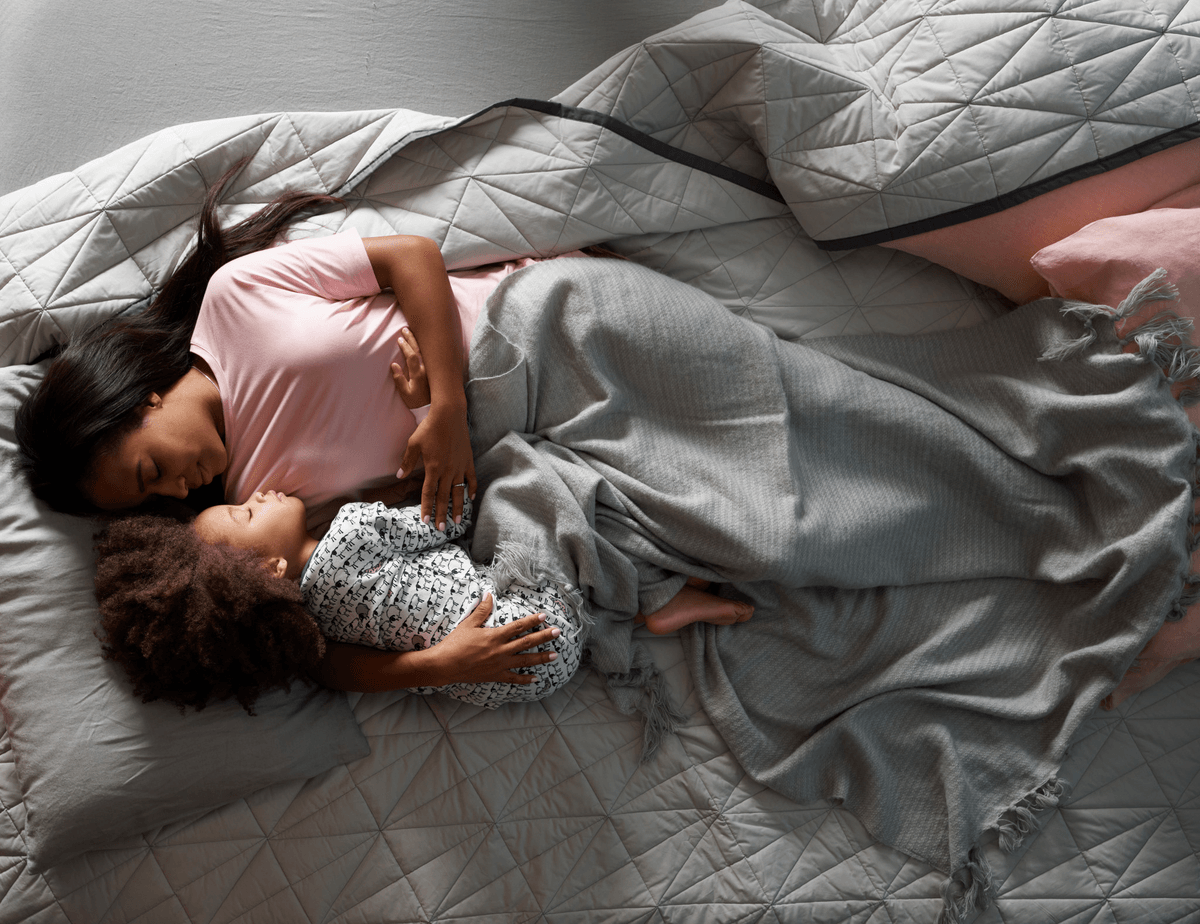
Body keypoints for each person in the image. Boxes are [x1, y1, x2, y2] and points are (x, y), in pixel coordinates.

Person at [14, 160, 576, 692]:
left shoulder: (234, 297)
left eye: (152, 469)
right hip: (538, 443)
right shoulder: (256, 510)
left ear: (140, 400)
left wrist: (448, 408)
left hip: (527, 325)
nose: (175, 490)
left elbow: (413, 257)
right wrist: (432, 665)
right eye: (154, 497)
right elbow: (325, 639)